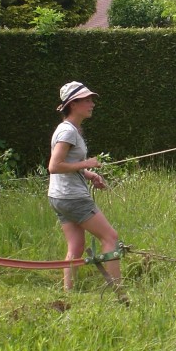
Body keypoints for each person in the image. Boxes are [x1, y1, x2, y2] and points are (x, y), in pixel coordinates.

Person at [47, 81, 124, 294]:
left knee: (76, 247)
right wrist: (86, 164)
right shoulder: (68, 132)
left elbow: (66, 163)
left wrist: (89, 174)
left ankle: (68, 293)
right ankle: (118, 290)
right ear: (73, 103)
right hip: (73, 198)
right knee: (110, 237)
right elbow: (54, 166)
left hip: (59, 197)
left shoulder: (71, 129)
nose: (92, 104)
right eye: (87, 100)